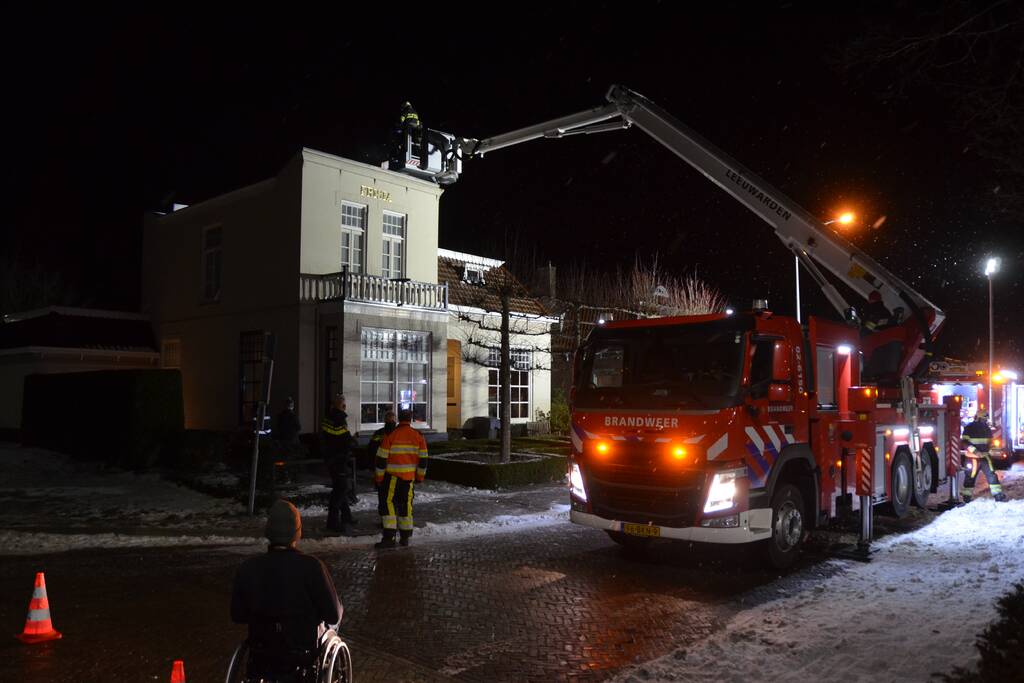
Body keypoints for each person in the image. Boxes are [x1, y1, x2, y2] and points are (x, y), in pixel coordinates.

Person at [231, 500, 343, 681]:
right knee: (334, 616)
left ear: (269, 532)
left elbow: (237, 615)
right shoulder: (312, 567)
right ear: (296, 533)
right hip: (302, 654)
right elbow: (332, 615)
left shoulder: (248, 568)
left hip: (262, 653)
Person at [374, 409, 428, 548]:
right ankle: (405, 537)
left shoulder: (391, 435)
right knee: (406, 505)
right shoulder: (418, 436)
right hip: (408, 479)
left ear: (399, 419)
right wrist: (420, 477)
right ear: (410, 419)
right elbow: (423, 460)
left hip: (391, 477)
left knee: (388, 504)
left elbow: (381, 459)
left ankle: (389, 537)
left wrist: (379, 478)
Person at [320, 394, 357, 533]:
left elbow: (332, 438)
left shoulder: (328, 418)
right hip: (338, 459)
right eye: (343, 404)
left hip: (332, 458)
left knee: (340, 487)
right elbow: (343, 439)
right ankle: (332, 522)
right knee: (341, 488)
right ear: (338, 405)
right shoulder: (338, 419)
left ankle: (346, 517)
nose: (345, 406)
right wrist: (353, 440)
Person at [962, 409, 1007, 502]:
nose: (985, 420)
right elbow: (964, 442)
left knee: (992, 475)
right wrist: (975, 451)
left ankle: (998, 495)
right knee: (970, 477)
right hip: (972, 458)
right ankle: (966, 497)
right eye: (984, 418)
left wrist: (991, 449)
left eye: (986, 419)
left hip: (985, 457)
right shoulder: (969, 428)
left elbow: (989, 443)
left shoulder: (987, 428)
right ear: (978, 418)